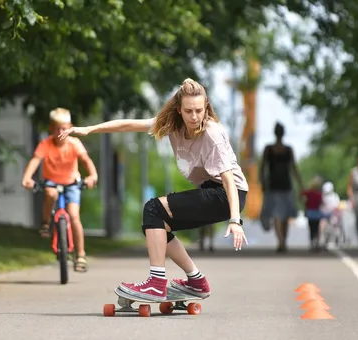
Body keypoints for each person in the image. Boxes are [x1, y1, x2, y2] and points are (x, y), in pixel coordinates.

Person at [58, 78, 249, 302]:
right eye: (188, 111)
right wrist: (89, 129)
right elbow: (128, 125)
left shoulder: (212, 134)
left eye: (199, 110)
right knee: (157, 224)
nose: (194, 117)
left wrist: (235, 221)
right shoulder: (171, 125)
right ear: (179, 110)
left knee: (154, 208)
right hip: (213, 190)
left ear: (206, 107)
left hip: (227, 194)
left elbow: (227, 178)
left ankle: (156, 284)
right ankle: (196, 281)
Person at [21, 108, 99, 272]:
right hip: (51, 182)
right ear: (51, 128)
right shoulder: (46, 144)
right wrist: (27, 177)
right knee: (50, 193)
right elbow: (36, 160)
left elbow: (86, 160)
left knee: (74, 216)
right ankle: (45, 223)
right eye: (57, 128)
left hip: (71, 183)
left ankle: (81, 255)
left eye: (64, 128)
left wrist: (92, 175)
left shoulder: (74, 143)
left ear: (70, 127)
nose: (60, 132)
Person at [259, 122, 304, 252]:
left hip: (274, 185)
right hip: (284, 185)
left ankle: (281, 241)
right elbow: (294, 168)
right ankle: (282, 241)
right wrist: (301, 184)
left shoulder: (269, 149)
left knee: (277, 215)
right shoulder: (287, 150)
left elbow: (262, 168)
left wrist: (262, 182)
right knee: (284, 215)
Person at [301, 176, 323, 251]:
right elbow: (321, 203)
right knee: (316, 228)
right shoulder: (319, 194)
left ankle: (312, 243)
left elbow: (302, 195)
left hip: (310, 212)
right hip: (316, 213)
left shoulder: (309, 193)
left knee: (311, 228)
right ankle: (316, 243)